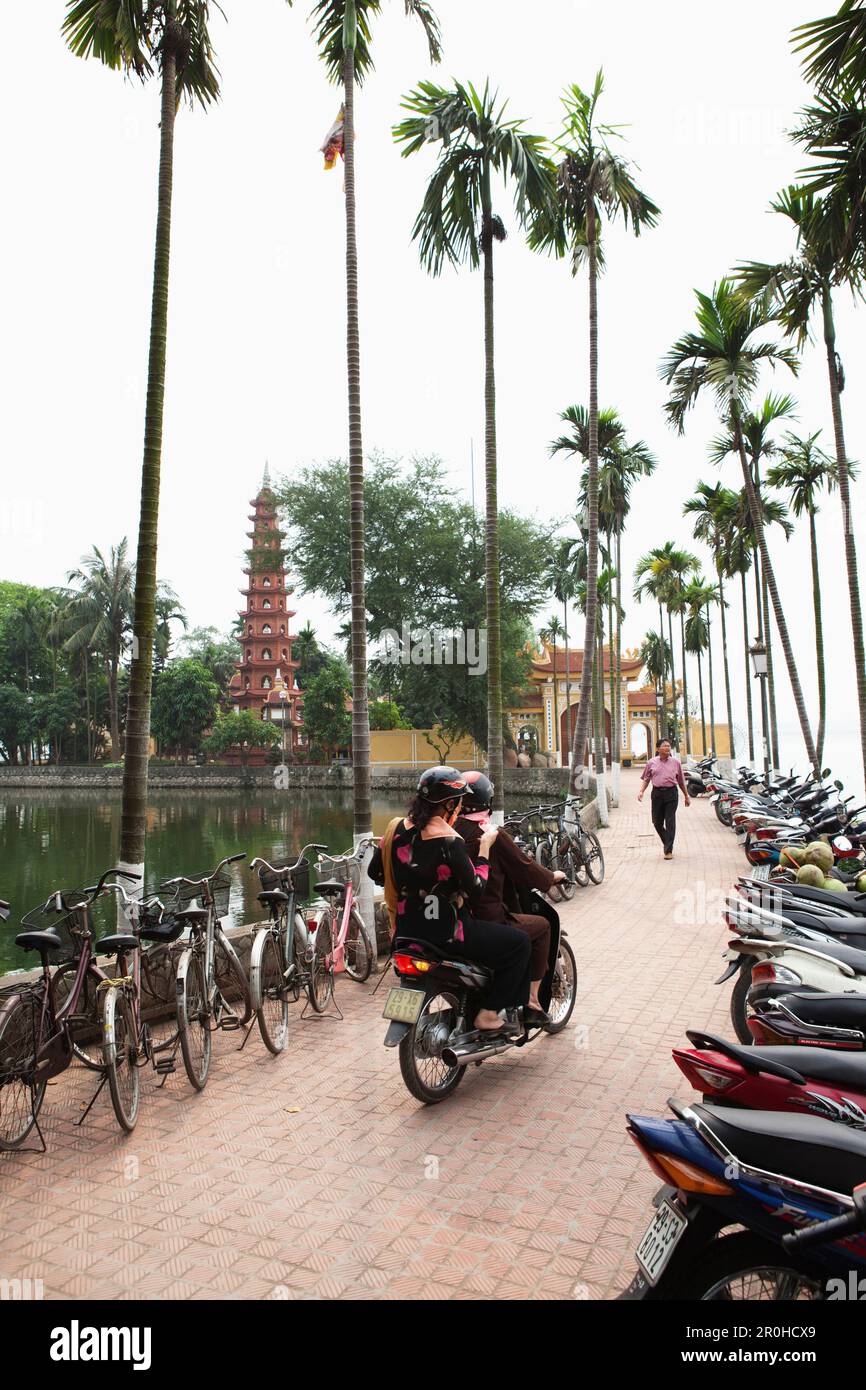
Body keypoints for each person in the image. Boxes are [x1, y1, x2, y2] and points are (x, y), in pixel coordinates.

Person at [368, 766, 531, 1035]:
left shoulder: (395, 830)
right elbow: (476, 889)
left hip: (407, 933)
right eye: (458, 803)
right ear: (450, 804)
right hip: (447, 934)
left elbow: (376, 873)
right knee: (519, 943)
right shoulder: (449, 841)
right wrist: (484, 850)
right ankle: (489, 1014)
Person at [454, 770, 565, 1028]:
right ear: (487, 802)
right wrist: (552, 877)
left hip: (455, 919)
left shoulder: (449, 831)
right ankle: (532, 1002)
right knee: (542, 926)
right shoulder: (490, 834)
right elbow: (526, 869)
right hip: (488, 920)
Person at [638, 738, 690, 858]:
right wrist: (641, 791)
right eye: (664, 746)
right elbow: (646, 779)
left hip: (671, 793)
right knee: (656, 822)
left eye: (668, 746)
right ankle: (668, 841)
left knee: (670, 821)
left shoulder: (675, 763)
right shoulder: (651, 762)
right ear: (658, 748)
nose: (667, 748)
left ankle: (668, 850)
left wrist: (686, 796)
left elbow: (681, 781)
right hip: (657, 794)